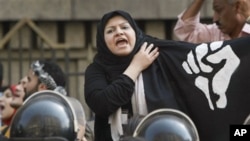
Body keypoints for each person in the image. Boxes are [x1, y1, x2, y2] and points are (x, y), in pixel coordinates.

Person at [84, 10, 250, 141]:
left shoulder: (157, 54)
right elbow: (102, 104)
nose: (119, 33)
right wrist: (136, 66)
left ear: (135, 32)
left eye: (125, 27)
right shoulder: (97, 69)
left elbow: (202, 54)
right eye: (110, 30)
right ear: (102, 40)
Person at [173, 0, 250, 43]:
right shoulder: (214, 33)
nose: (215, 19)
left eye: (219, 10)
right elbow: (185, 32)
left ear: (237, 6)